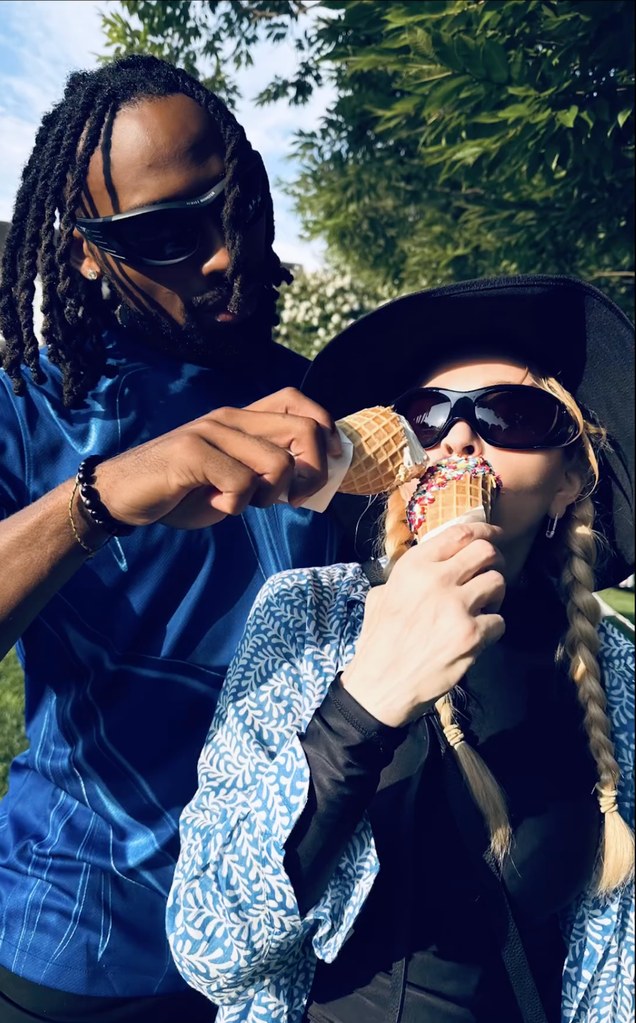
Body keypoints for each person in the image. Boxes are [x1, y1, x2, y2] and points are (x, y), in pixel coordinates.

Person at [167, 276, 635, 1023]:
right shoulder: (307, 617)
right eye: (427, 415)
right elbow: (208, 943)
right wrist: (365, 701)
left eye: (511, 413)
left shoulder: (614, 672)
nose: (457, 437)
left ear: (572, 477)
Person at [0, 54, 348, 1022]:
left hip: (283, 950)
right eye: (163, 236)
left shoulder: (330, 404)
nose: (222, 255)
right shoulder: (29, 414)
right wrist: (102, 497)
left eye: (229, 204)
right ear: (82, 252)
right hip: (81, 949)